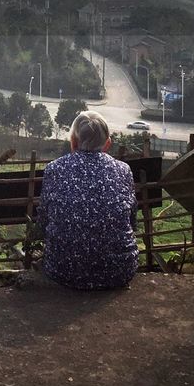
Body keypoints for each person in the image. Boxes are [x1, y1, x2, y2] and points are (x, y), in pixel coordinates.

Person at [35, 110, 138, 290]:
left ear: (73, 142)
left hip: (63, 269)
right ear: (107, 144)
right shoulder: (124, 171)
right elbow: (131, 222)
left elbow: (43, 221)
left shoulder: (54, 169)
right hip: (119, 270)